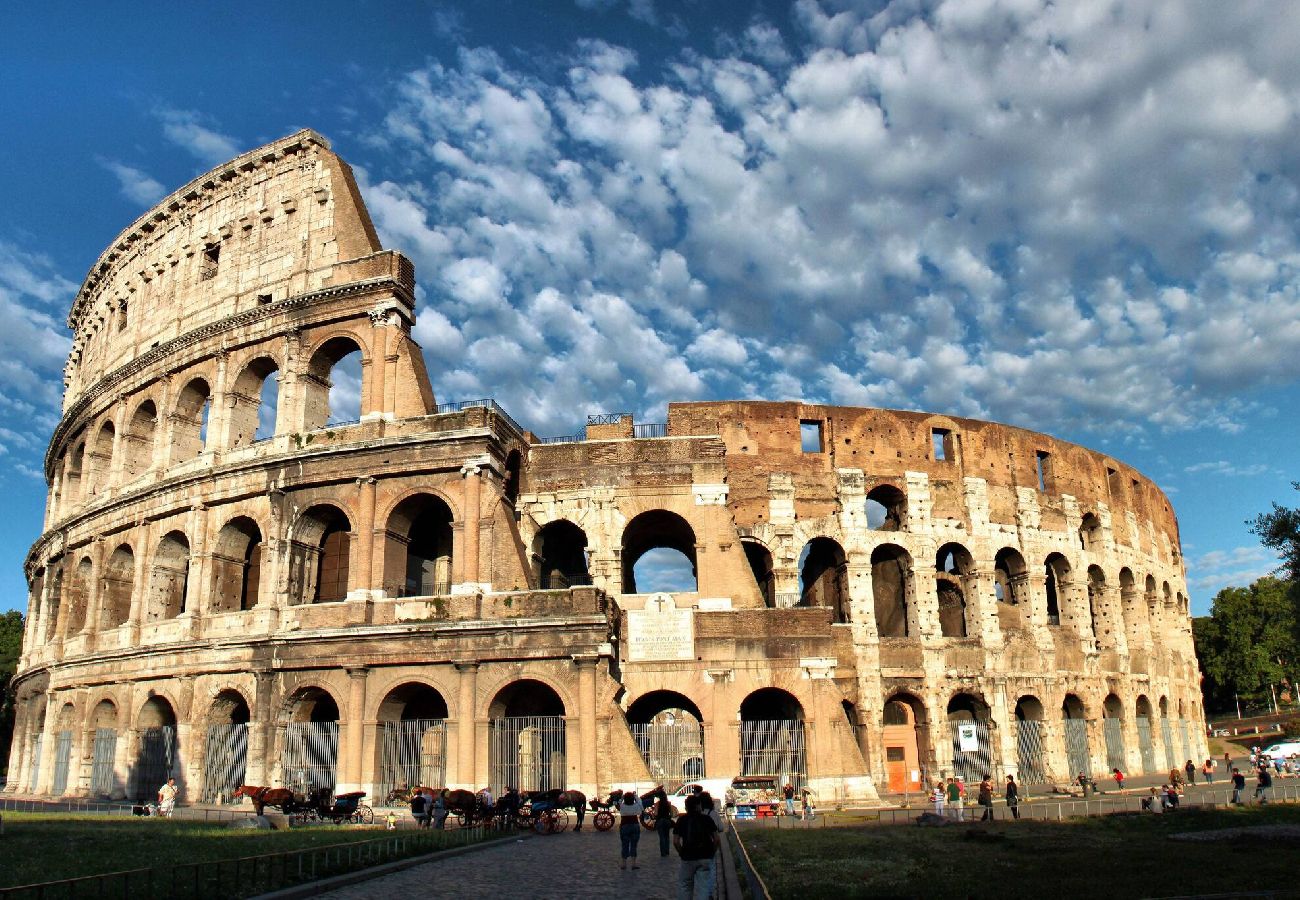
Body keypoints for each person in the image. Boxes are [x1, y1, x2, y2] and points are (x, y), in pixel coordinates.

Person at [673, 794, 719, 900]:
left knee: (685, 885)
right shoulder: (707, 819)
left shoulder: (681, 820)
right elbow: (716, 839)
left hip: (688, 857)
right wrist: (712, 852)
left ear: (686, 807)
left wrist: (682, 853)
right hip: (705, 856)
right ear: (699, 806)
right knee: (703, 887)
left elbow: (676, 841)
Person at [617, 789, 644, 870]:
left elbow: (618, 803)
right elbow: (640, 802)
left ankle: (623, 864)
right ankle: (633, 864)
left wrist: (622, 797)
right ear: (633, 799)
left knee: (624, 845)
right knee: (634, 845)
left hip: (624, 826)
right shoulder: (636, 806)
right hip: (634, 825)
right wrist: (635, 796)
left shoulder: (622, 806)